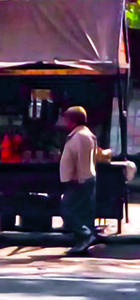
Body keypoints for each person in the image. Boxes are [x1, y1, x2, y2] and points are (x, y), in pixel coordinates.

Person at [59, 106, 109, 255]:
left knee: (66, 208)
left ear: (73, 120)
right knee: (81, 211)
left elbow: (83, 160)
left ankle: (86, 235)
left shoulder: (81, 136)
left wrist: (80, 178)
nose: (65, 122)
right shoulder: (79, 134)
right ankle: (83, 241)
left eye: (67, 119)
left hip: (80, 180)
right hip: (81, 178)